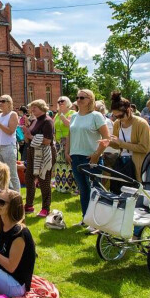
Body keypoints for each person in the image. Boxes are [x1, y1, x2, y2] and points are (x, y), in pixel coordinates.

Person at [66, 89, 110, 230]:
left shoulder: (96, 116)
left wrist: (97, 154)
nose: (78, 100)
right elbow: (70, 135)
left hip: (90, 158)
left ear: (90, 100)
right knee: (83, 190)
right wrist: (67, 152)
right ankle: (86, 218)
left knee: (94, 190)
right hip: (75, 157)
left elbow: (106, 138)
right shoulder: (74, 116)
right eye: (77, 97)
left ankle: (96, 222)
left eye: (82, 98)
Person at [99, 91, 150, 191]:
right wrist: (109, 143)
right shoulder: (117, 123)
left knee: (135, 193)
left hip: (138, 164)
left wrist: (122, 143)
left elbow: (145, 148)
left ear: (129, 110)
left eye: (121, 116)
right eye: (116, 116)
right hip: (122, 163)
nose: (119, 119)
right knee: (118, 192)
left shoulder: (141, 124)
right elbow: (118, 146)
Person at [22, 100, 56, 217]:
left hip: (44, 154)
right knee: (29, 178)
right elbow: (28, 140)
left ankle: (45, 208)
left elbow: (47, 141)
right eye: (32, 108)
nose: (32, 110)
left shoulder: (47, 121)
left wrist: (30, 136)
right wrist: (26, 133)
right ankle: (29, 205)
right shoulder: (35, 121)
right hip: (32, 152)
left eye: (34, 108)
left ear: (42, 108)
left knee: (44, 180)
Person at [0, 95, 20, 192]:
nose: (0, 103)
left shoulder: (13, 114)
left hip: (8, 146)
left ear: (9, 103)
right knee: (2, 174)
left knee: (12, 173)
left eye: (3, 101)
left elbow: (10, 131)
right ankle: (6, 194)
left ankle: (17, 196)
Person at [53, 96, 76, 193]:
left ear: (68, 103)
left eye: (62, 101)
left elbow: (69, 124)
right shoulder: (56, 115)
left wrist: (62, 115)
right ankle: (60, 186)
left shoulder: (72, 113)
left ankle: (71, 187)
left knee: (68, 164)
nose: (60, 103)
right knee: (60, 165)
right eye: (59, 101)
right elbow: (53, 127)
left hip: (68, 141)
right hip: (58, 143)